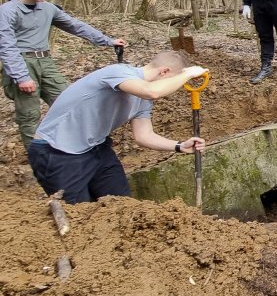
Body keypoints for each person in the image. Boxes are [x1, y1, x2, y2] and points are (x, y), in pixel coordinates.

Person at [27, 51, 208, 204]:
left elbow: (143, 135)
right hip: (57, 152)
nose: (172, 89)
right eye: (174, 82)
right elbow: (152, 90)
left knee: (120, 205)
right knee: (78, 216)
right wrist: (188, 74)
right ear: (165, 72)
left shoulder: (144, 99)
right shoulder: (118, 72)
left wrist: (179, 146)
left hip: (95, 149)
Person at [0, 0, 126, 149]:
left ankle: (75, 145)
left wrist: (107, 40)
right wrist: (21, 77)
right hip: (23, 62)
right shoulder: (7, 11)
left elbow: (76, 26)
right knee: (29, 114)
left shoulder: (48, 8)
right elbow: (6, 45)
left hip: (45, 61)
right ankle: (38, 157)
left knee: (70, 99)